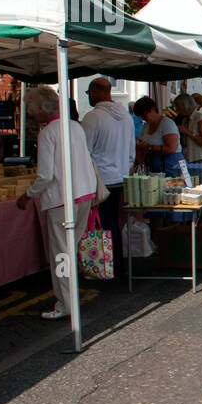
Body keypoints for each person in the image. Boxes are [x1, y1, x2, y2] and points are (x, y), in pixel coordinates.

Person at [18, 87, 98, 321]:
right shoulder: (74, 126)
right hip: (84, 194)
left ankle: (66, 304)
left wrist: (27, 195)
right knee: (70, 252)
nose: (31, 115)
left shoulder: (48, 134)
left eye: (31, 110)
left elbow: (45, 175)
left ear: (40, 109)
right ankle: (70, 299)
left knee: (61, 256)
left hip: (62, 200)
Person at [82, 78, 135, 275]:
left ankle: (106, 266)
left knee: (102, 224)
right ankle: (116, 264)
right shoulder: (126, 117)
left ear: (96, 92)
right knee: (114, 222)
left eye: (89, 93)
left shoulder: (92, 117)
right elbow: (131, 153)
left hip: (100, 180)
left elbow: (83, 152)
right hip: (120, 178)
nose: (89, 97)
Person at [133, 97, 181, 175]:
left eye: (144, 115)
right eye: (141, 117)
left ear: (152, 109)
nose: (143, 118)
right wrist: (139, 163)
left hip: (171, 166)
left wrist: (149, 147)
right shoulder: (146, 126)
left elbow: (172, 148)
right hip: (155, 167)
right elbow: (139, 146)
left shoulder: (167, 123)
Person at [175, 92, 202, 166]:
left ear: (183, 106)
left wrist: (188, 132)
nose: (176, 110)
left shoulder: (199, 117)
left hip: (201, 159)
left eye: (177, 107)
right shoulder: (184, 120)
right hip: (189, 159)